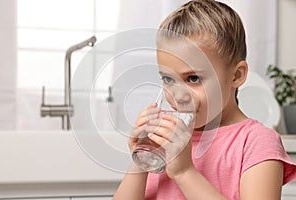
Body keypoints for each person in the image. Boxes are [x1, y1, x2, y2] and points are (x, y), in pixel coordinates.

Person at [113, 0, 296, 199]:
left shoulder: (257, 142)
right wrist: (142, 162)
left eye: (193, 79)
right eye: (168, 79)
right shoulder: (167, 139)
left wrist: (185, 173)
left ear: (236, 76)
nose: (178, 95)